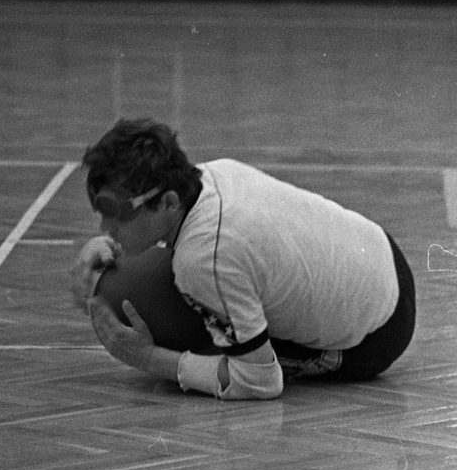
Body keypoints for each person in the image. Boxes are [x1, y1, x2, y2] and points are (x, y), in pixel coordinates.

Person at [69, 118, 416, 401]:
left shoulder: (205, 258)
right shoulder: (212, 173)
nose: (105, 227)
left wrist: (147, 359)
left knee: (129, 292)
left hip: (377, 335)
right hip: (381, 254)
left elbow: (262, 382)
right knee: (136, 280)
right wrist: (109, 243)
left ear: (169, 202)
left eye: (117, 218)